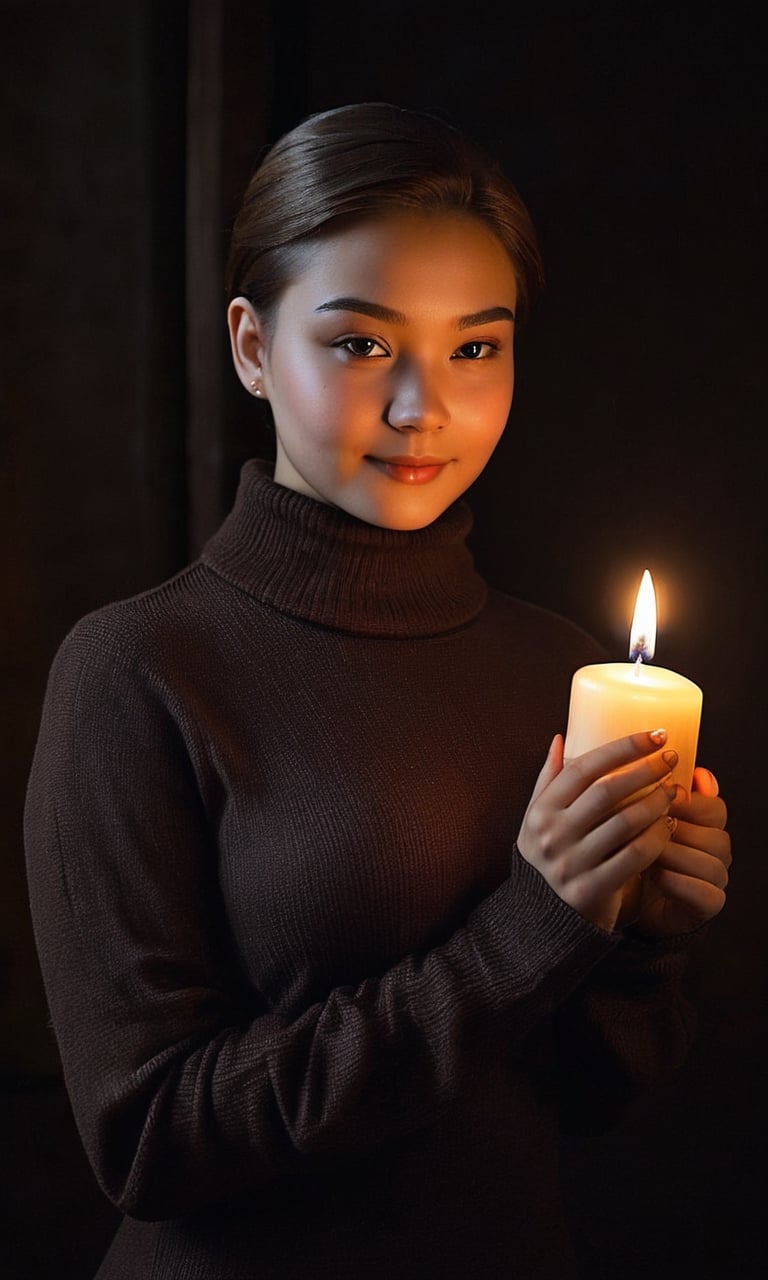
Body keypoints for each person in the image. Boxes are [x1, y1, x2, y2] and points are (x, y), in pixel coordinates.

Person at [24, 102, 731, 1279]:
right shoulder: (137, 673)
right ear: (252, 346)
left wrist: (635, 943)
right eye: (360, 344)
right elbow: (146, 1139)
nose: (425, 409)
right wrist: (529, 925)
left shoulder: (557, 669)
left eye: (476, 346)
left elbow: (597, 1102)